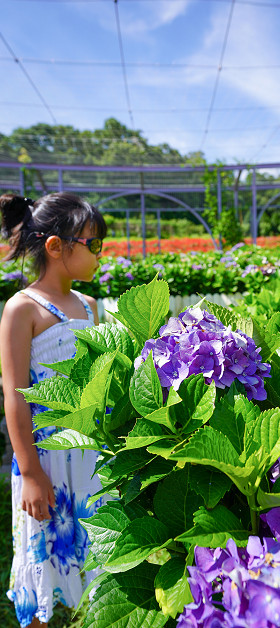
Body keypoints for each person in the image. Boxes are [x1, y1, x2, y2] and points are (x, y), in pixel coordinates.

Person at [0, 193, 106, 628]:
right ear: (56, 247)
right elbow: (15, 396)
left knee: (97, 560)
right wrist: (30, 473)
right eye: (93, 244)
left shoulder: (90, 307)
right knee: (40, 554)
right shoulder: (21, 309)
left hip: (86, 454)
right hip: (43, 457)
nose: (101, 254)